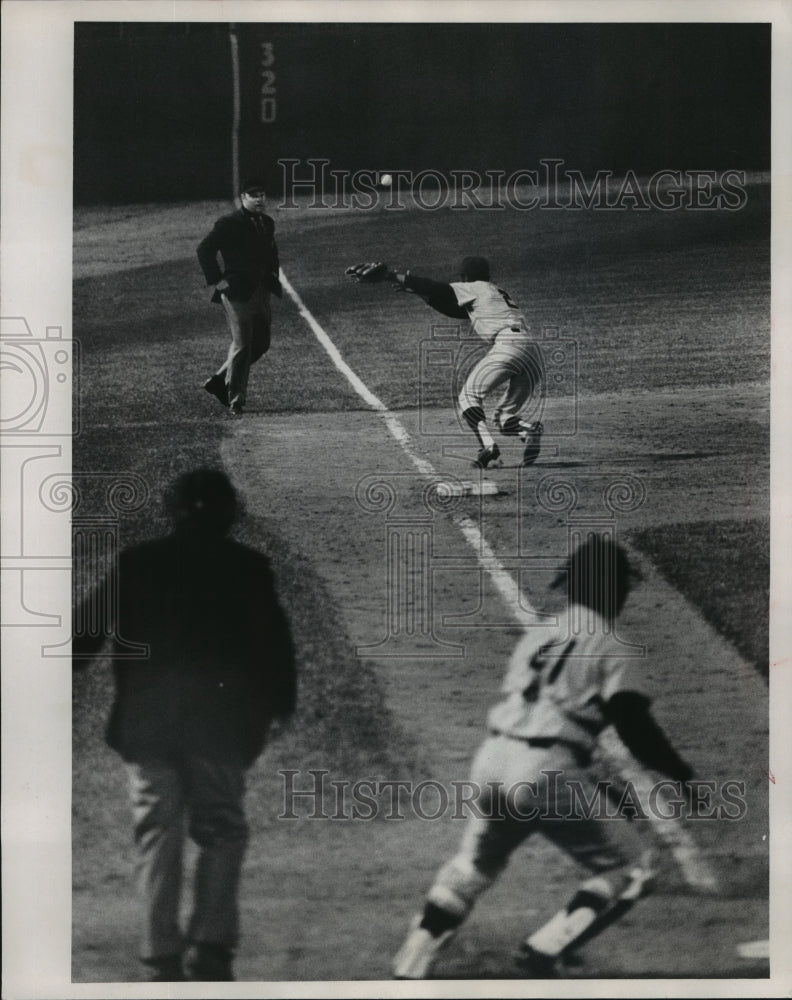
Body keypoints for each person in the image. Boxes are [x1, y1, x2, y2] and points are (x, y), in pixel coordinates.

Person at [392, 535, 694, 979]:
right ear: (613, 590)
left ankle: (411, 964)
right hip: (548, 771)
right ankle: (543, 951)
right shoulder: (612, 645)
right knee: (629, 869)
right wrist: (681, 776)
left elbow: (547, 713)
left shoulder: (537, 635)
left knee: (472, 867)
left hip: (492, 760)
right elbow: (632, 724)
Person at [73, 469, 297, 982]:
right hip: (220, 726)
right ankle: (211, 948)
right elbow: (274, 647)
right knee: (221, 829)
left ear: (170, 510)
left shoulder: (137, 562)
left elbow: (82, 640)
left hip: (147, 725)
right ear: (230, 513)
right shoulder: (249, 567)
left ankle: (160, 955)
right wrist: (280, 706)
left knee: (156, 833)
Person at [354, 256, 544, 468]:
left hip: (509, 345)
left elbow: (438, 289)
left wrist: (393, 277)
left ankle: (488, 447)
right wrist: (422, 294)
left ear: (465, 276)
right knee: (504, 416)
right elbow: (455, 309)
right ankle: (528, 430)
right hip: (533, 352)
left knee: (468, 397)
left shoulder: (473, 287)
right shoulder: (492, 291)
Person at [197, 176, 283, 416]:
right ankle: (236, 399)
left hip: (261, 291)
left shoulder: (267, 222)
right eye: (254, 195)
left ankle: (218, 381)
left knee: (261, 344)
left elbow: (271, 253)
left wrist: (273, 277)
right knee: (243, 344)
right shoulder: (228, 223)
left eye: (262, 195)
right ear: (243, 198)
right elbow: (204, 249)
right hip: (236, 292)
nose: (259, 199)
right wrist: (218, 281)